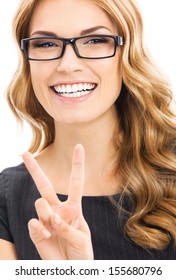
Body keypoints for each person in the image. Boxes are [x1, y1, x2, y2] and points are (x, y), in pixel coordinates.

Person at [0, 0, 175, 260]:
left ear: (127, 52)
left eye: (94, 40)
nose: (67, 65)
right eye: (46, 44)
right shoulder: (8, 196)